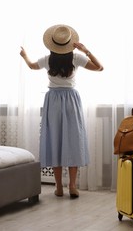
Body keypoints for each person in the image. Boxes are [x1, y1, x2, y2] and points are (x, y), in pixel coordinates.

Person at [20, 24, 104, 199]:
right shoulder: (76, 58)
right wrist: (86, 50)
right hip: (71, 101)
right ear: (69, 43)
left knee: (55, 140)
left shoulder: (47, 60)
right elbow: (99, 67)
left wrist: (24, 56)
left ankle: (58, 187)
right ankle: (72, 186)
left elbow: (31, 66)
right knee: (73, 139)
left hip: (53, 101)